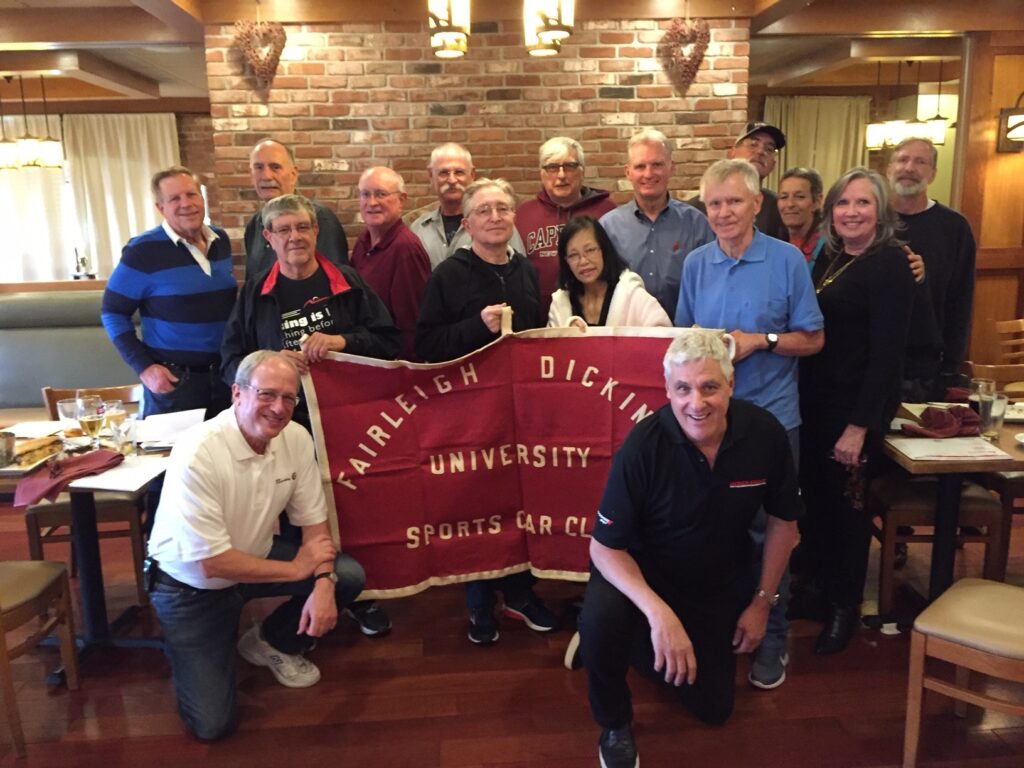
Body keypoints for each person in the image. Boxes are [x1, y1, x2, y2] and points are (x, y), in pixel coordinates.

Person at [574, 331, 799, 768]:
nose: (696, 403)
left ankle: (637, 642)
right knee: (600, 620)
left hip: (712, 579)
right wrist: (661, 615)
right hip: (637, 575)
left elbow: (784, 524)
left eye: (709, 386)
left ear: (731, 385)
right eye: (683, 389)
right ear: (668, 390)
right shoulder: (642, 447)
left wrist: (761, 604)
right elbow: (603, 549)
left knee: (714, 709)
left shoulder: (764, 434)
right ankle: (614, 722)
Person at [146, 350, 367, 741]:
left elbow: (316, 529)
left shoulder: (296, 438)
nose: (279, 408)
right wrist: (301, 571)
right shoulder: (199, 451)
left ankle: (268, 641)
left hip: (255, 557)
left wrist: (324, 582)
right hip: (189, 585)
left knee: (347, 575)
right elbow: (209, 564)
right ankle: (193, 648)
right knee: (213, 725)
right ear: (237, 393)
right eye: (267, 394)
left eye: (288, 398)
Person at [220, 194, 400, 637]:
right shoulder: (256, 293)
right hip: (279, 429)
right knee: (288, 516)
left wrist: (343, 342)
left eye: (302, 227)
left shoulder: (349, 282)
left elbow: (391, 343)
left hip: (345, 425)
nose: (294, 236)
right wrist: (267, 363)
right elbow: (228, 363)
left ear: (316, 232)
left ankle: (356, 593)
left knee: (350, 508)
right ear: (268, 238)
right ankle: (303, 593)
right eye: (283, 229)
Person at [674, 158, 823, 690]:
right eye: (713, 204)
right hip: (710, 422)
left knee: (772, 532)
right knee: (714, 528)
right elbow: (686, 343)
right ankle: (722, 627)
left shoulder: (786, 261)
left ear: (756, 204)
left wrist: (763, 341)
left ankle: (773, 635)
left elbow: (814, 338)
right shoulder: (696, 264)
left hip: (774, 422)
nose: (723, 212)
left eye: (733, 201)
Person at [415, 178, 558, 644]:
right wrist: (476, 326)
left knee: (521, 498)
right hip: (468, 412)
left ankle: (519, 591)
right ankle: (478, 600)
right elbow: (427, 346)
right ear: (469, 222)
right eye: (484, 211)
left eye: (503, 209)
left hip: (519, 410)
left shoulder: (526, 272)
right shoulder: (448, 276)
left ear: (514, 217)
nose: (495, 217)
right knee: (477, 503)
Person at [798, 168, 914, 655]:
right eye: (844, 203)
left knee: (848, 514)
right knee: (819, 506)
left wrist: (859, 427)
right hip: (816, 404)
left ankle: (847, 607)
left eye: (863, 203)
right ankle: (821, 593)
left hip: (853, 412)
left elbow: (888, 356)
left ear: (880, 211)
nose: (851, 212)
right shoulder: (829, 256)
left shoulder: (890, 265)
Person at [102, 165, 236, 421]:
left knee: (224, 458)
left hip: (224, 378)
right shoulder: (143, 251)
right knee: (169, 460)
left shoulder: (220, 240)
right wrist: (144, 368)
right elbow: (112, 312)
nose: (186, 204)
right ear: (161, 208)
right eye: (174, 199)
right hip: (175, 384)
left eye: (191, 194)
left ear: (202, 197)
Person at [887, 137, 976, 401]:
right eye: (902, 160)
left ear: (933, 174)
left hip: (926, 365)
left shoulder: (955, 227)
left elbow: (961, 301)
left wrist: (951, 366)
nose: (909, 168)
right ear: (889, 169)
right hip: (872, 356)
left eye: (920, 162)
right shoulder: (872, 221)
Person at [600, 128, 714, 317]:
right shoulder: (608, 228)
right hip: (629, 337)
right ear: (628, 172)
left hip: (685, 336)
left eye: (657, 164)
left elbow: (711, 284)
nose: (649, 173)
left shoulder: (697, 224)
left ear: (671, 167)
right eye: (640, 166)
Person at [515, 137, 617, 316]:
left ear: (582, 171)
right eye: (552, 167)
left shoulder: (606, 212)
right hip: (537, 318)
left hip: (596, 315)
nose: (561, 175)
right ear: (542, 174)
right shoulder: (523, 215)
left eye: (569, 166)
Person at [350, 167, 432, 359]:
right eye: (365, 194)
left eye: (381, 194)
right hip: (368, 353)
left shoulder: (405, 248)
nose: (372, 202)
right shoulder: (364, 240)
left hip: (392, 363)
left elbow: (411, 323)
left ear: (401, 200)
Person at [408, 142, 526, 269]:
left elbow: (518, 273)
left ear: (472, 174)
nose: (452, 180)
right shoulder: (418, 230)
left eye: (459, 172)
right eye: (444, 173)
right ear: (431, 175)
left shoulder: (496, 224)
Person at [245, 139, 349, 279]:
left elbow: (336, 281)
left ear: (293, 174)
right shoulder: (254, 224)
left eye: (275, 167)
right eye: (258, 167)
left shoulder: (319, 217)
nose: (266, 176)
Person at [548, 216, 670, 329]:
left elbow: (662, 336)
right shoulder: (560, 303)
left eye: (590, 250)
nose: (583, 261)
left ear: (604, 250)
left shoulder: (631, 294)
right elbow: (550, 348)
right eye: (573, 255)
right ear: (566, 261)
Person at [688, 122, 789, 241]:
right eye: (753, 144)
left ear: (773, 164)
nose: (761, 152)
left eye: (769, 149)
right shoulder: (695, 209)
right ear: (732, 153)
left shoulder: (779, 207)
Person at [777, 167, 826, 270]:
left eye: (800, 197)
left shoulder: (828, 249)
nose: (790, 204)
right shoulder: (774, 244)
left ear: (817, 202)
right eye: (784, 197)